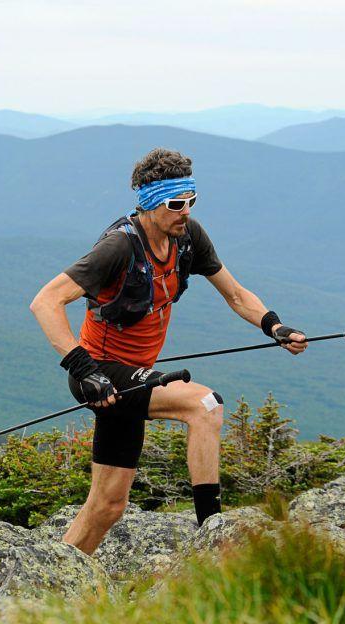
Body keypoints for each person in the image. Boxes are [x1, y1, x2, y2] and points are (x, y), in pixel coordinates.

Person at [29, 148, 308, 555]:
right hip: (100, 374)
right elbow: (45, 302)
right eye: (176, 204)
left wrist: (276, 326)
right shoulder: (118, 248)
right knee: (205, 405)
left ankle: (53, 575)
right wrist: (84, 369)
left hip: (131, 375)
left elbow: (234, 294)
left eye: (191, 202)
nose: (186, 212)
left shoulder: (188, 238)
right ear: (149, 203)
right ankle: (213, 534)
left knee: (107, 505)